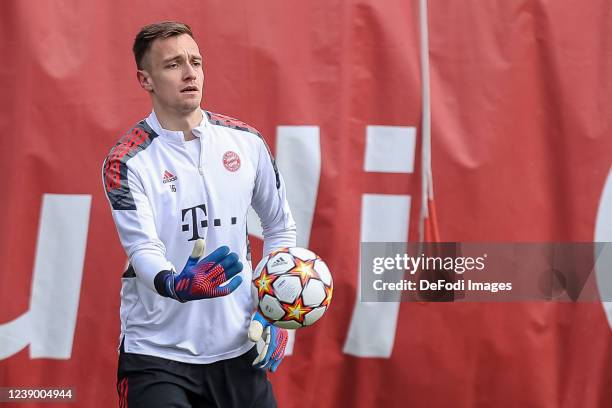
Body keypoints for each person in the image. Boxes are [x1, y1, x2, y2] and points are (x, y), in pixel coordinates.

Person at [102, 21, 296, 408]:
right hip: (158, 356)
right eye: (174, 64)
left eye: (196, 61)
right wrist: (175, 284)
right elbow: (142, 248)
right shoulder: (127, 161)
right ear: (146, 79)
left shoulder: (247, 143)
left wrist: (274, 309)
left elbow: (279, 228)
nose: (190, 73)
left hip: (239, 347)